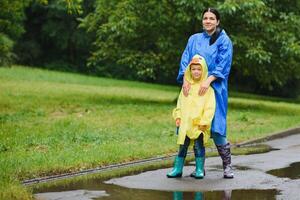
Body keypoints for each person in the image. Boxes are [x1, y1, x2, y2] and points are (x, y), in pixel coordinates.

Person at [176, 8, 234, 178]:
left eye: (211, 18)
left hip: (215, 88)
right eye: (205, 18)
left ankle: (227, 166)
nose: (208, 21)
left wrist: (208, 81)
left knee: (216, 126)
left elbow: (223, 63)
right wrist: (186, 79)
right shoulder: (194, 39)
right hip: (194, 90)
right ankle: (199, 168)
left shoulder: (224, 40)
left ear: (217, 22)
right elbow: (186, 59)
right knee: (193, 125)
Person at [167, 55, 215, 179]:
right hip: (185, 124)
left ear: (203, 70)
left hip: (199, 124)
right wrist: (178, 116)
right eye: (193, 69)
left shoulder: (208, 90)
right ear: (189, 70)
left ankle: (199, 169)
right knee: (182, 146)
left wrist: (204, 121)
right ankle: (177, 169)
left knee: (199, 147)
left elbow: (210, 107)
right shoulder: (186, 88)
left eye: (199, 69)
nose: (196, 72)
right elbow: (180, 103)